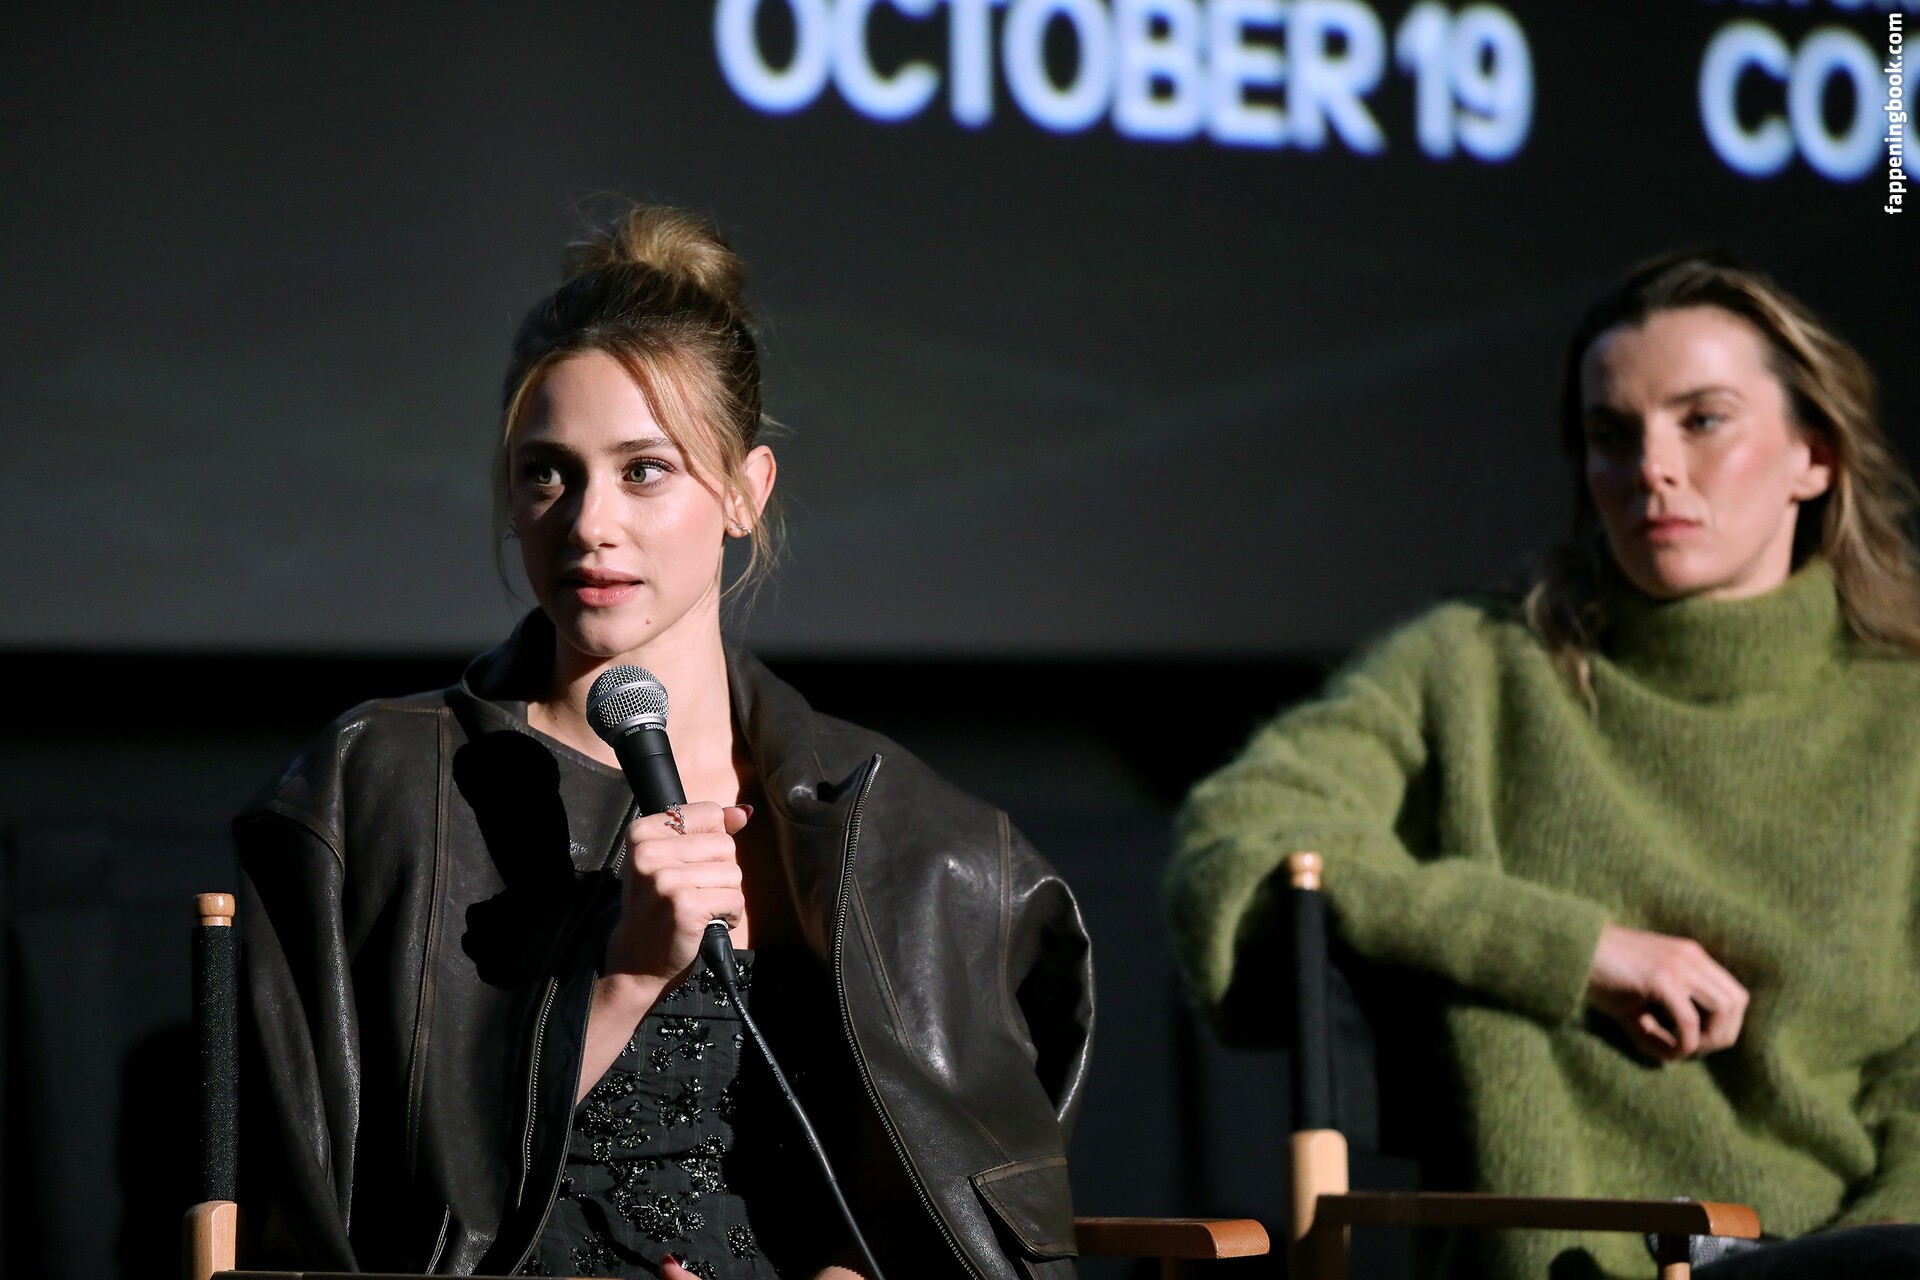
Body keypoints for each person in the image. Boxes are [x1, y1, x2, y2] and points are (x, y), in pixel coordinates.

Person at [236, 204, 1092, 1280]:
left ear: (743, 490)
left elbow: (970, 1213)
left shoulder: (916, 838)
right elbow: (341, 1209)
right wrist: (627, 978)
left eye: (644, 469)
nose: (590, 522)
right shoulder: (377, 788)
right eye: (548, 471)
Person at [1165, 251, 1920, 1280]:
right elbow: (1239, 838)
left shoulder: (1901, 713)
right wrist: (1571, 949)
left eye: (1703, 420)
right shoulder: (1477, 666)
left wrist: (1861, 1261)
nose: (1652, 467)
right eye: (1611, 434)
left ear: (1814, 457)